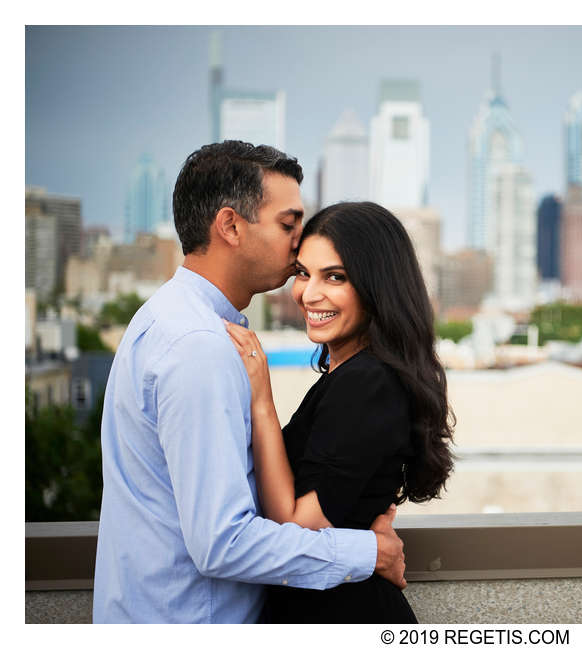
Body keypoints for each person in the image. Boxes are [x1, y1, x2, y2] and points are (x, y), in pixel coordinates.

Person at [93, 142, 406, 624]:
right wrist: (369, 552)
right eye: (288, 224)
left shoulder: (165, 318)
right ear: (231, 226)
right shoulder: (198, 345)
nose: (299, 242)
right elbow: (223, 543)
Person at [223, 201, 454, 623]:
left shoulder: (367, 382)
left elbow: (295, 526)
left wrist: (261, 401)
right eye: (303, 273)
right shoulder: (352, 374)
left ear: (375, 285)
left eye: (335, 277)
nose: (309, 294)